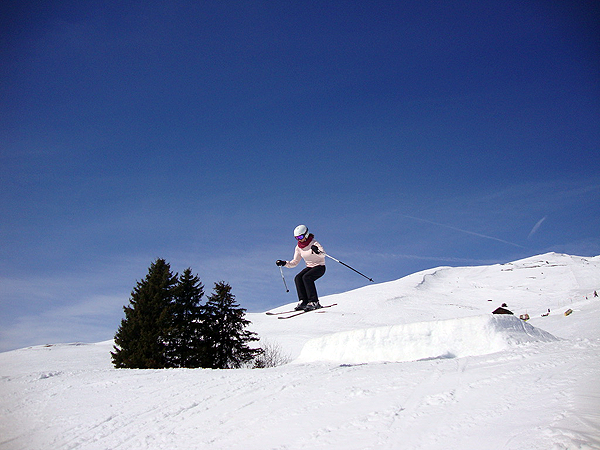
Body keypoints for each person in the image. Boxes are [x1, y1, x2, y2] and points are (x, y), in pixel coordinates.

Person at [276, 225, 326, 311]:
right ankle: (304, 301)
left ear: (306, 234)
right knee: (298, 278)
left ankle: (314, 302)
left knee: (307, 277)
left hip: (320, 267)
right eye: (296, 238)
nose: (299, 239)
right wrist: (284, 263)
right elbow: (294, 262)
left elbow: (323, 255)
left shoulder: (314, 243)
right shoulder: (298, 248)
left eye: (300, 237)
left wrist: (317, 251)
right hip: (310, 267)